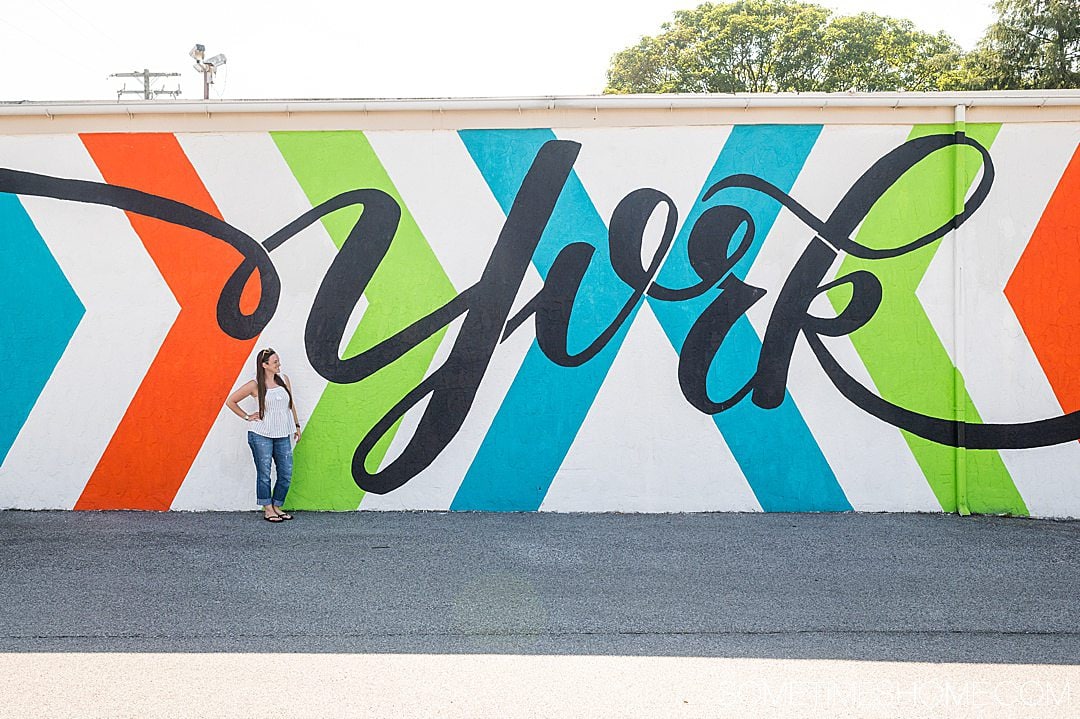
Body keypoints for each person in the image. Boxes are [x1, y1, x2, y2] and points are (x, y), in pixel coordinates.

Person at [226, 348, 302, 522]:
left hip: (283, 433)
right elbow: (231, 401)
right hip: (261, 434)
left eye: (278, 361)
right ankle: (267, 508)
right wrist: (247, 417)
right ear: (264, 365)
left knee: (286, 472)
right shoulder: (255, 385)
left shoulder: (284, 380)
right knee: (264, 472)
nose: (278, 364)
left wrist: (296, 425)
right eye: (275, 362)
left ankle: (277, 505)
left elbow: (291, 404)